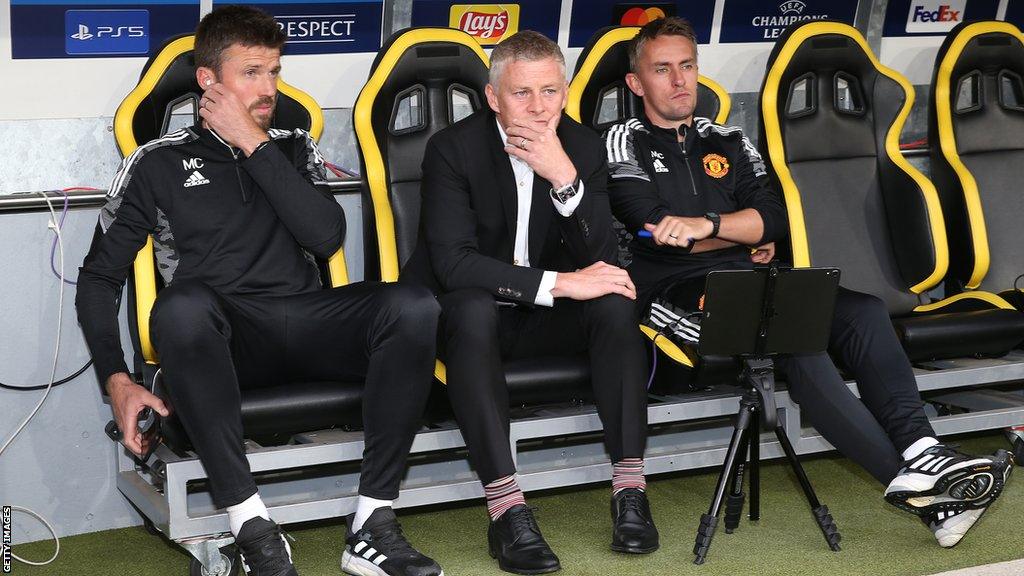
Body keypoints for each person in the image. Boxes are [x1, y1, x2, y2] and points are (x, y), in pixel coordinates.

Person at [604, 16, 1013, 548]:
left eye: (687, 66)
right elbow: (656, 229)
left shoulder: (728, 138)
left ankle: (922, 452)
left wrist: (708, 227)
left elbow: (775, 217)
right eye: (662, 70)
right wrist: (735, 232)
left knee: (862, 310)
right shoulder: (619, 141)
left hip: (758, 278)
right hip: (673, 294)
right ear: (637, 84)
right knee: (796, 343)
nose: (679, 81)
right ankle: (919, 490)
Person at [75, 7, 444, 576]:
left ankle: (372, 523)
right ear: (208, 81)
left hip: (308, 325)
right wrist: (117, 379)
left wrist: (254, 142)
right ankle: (251, 526)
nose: (268, 87)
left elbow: (326, 237)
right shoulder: (157, 162)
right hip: (226, 341)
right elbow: (99, 279)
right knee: (179, 307)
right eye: (251, 72)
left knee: (412, 304)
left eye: (274, 71)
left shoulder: (293, 147)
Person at [401, 31, 656, 574]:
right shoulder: (453, 149)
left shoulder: (582, 148)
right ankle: (506, 508)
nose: (539, 109)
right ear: (494, 98)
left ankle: (630, 488)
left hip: (536, 320)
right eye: (522, 94)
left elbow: (604, 258)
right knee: (470, 306)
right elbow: (453, 265)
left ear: (565, 91)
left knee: (613, 302)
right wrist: (559, 284)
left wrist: (564, 177)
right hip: (465, 320)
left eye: (550, 92)